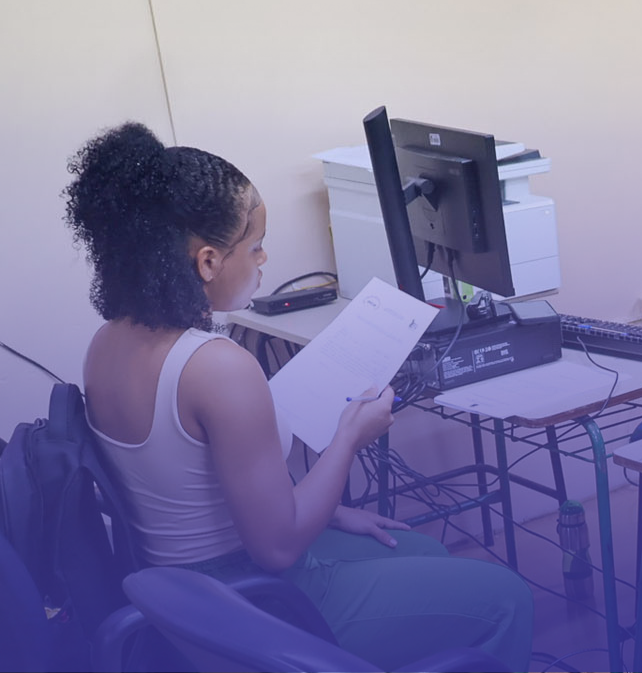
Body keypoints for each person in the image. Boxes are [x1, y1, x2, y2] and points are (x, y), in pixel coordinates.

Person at [64, 122, 534, 670]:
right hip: (251, 603)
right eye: (255, 247)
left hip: (180, 595)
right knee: (507, 598)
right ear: (208, 262)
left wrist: (327, 511)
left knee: (422, 549)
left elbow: (191, 490)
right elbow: (278, 548)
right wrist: (349, 439)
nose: (264, 260)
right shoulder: (216, 368)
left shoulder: (107, 342)